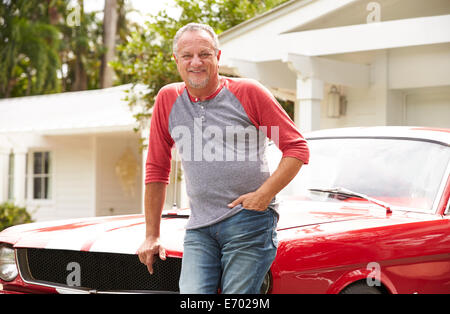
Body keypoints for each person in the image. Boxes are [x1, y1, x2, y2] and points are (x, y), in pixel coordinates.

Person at [137, 23, 309, 294]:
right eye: (187, 56)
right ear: (177, 61)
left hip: (249, 222)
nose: (196, 62)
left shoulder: (249, 92)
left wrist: (264, 195)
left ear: (218, 57)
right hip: (199, 228)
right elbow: (157, 168)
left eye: (204, 54)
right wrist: (152, 234)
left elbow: (297, 148)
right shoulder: (168, 99)